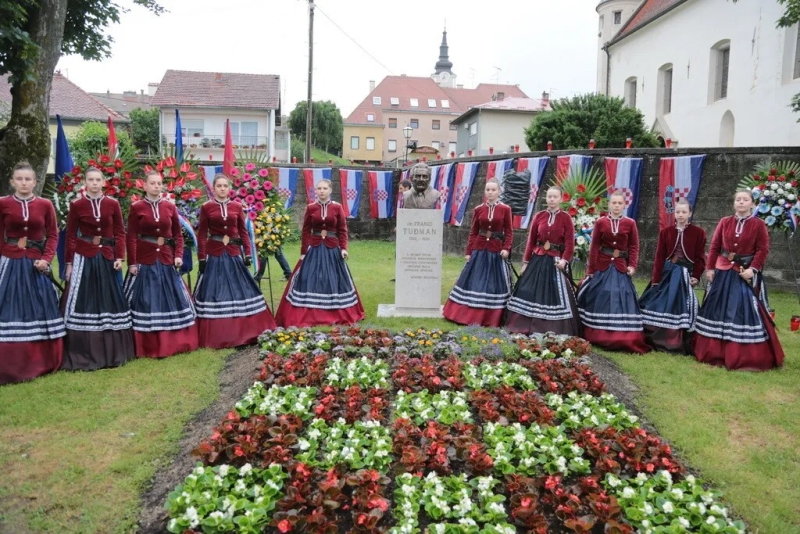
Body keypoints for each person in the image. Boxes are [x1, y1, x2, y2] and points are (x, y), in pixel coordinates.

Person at [693, 190, 785, 370]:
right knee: (717, 308)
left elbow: (762, 249)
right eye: (738, 200)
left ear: (752, 204)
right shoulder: (724, 222)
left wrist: (753, 269)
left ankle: (742, 355)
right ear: (734, 203)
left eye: (745, 200)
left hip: (743, 272)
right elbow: (715, 246)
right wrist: (710, 267)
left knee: (742, 309)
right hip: (723, 271)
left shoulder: (759, 225)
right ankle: (714, 352)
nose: (741, 202)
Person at [62, 167, 134, 370]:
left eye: (97, 179)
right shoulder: (77, 205)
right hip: (84, 257)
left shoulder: (113, 204)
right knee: (86, 299)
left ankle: (113, 350)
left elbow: (120, 232)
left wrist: (120, 256)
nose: (94, 183)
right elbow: (70, 235)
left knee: (109, 299)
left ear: (104, 182)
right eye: (90, 179)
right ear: (85, 182)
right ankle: (84, 349)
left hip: (108, 257)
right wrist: (69, 263)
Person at [0, 162, 65, 384]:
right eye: (19, 179)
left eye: (28, 179)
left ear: (35, 182)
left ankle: (42, 361)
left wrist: (46, 260)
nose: (24, 183)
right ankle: (10, 364)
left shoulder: (45, 204)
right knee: (10, 308)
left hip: (36, 264)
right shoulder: (3, 204)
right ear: (12, 182)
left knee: (40, 308)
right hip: (10, 263)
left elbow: (53, 235)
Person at [194, 174, 276, 348]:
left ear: (230, 188)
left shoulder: (237, 207)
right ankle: (218, 334)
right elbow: (201, 235)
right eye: (219, 186)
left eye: (225, 186)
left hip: (233, 253)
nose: (222, 189)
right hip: (214, 254)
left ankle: (245, 331)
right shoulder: (206, 207)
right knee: (215, 291)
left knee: (242, 290)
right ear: (213, 188)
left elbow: (243, 232)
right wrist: (201, 257)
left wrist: (247, 253)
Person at [124, 170, 198, 358]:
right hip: (145, 259)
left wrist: (178, 255)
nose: (156, 186)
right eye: (153, 183)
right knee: (146, 299)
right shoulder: (137, 207)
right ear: (145, 186)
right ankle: (147, 344)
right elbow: (131, 236)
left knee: (172, 297)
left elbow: (177, 235)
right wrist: (132, 262)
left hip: (165, 258)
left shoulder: (169, 207)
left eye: (159, 183)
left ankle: (174, 342)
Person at [275, 179, 364, 327]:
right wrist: (303, 252)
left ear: (330, 190)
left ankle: (334, 313)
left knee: (333, 280)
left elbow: (342, 230)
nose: (321, 191)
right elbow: (306, 231)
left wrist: (343, 248)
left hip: (332, 248)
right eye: (319, 188)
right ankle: (309, 313)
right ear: (315, 191)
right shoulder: (311, 208)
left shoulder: (337, 207)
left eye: (324, 188)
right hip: (314, 248)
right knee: (307, 278)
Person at [576, 191, 650, 353]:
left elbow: (634, 246)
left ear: (624, 205)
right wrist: (591, 269)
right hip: (602, 265)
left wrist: (632, 265)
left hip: (620, 266)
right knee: (601, 294)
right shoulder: (601, 222)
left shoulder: (630, 223)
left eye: (619, 203)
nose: (616, 206)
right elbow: (594, 246)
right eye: (614, 203)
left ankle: (620, 336)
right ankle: (596, 334)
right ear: (609, 205)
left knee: (619, 295)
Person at [504, 185, 581, 336]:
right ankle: (522, 325)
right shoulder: (539, 216)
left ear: (560, 199)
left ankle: (551, 328)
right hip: (537, 259)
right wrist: (526, 263)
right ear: (546, 198)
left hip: (555, 262)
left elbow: (570, 244)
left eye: (555, 197)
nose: (552, 199)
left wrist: (565, 261)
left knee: (555, 295)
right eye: (549, 196)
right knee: (528, 290)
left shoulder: (566, 218)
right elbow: (531, 241)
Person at [639, 199, 706, 352]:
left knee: (681, 304)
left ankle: (677, 338)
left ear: (690, 213)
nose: (680, 215)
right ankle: (654, 336)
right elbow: (659, 256)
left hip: (684, 275)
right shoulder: (666, 232)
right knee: (657, 301)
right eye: (678, 212)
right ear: (674, 213)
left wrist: (696, 275)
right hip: (667, 273)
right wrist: (656, 279)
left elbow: (700, 257)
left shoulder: (698, 233)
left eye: (684, 212)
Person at [443, 179, 512, 327]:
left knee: (493, 284)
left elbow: (509, 232)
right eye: (488, 189)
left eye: (493, 190)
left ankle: (491, 317)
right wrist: (469, 251)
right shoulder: (478, 209)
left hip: (496, 251)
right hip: (479, 250)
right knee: (474, 281)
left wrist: (506, 248)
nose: (490, 192)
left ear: (499, 191)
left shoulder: (505, 209)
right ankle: (466, 316)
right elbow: (473, 231)